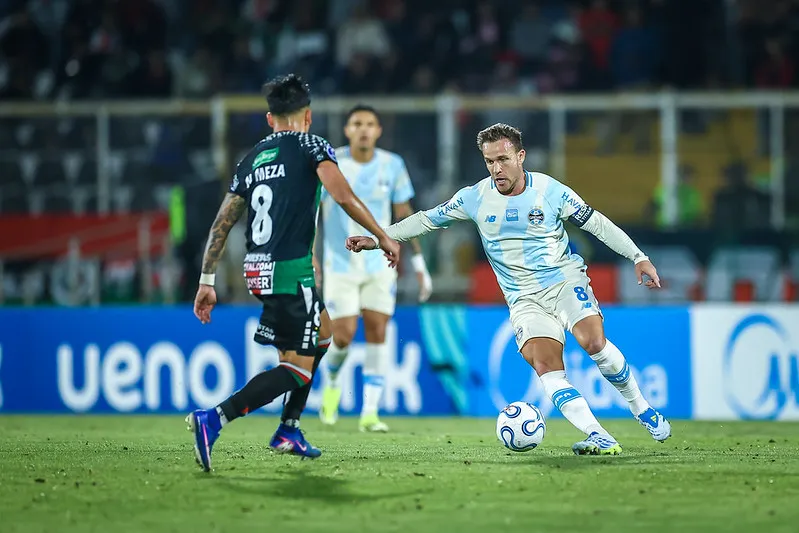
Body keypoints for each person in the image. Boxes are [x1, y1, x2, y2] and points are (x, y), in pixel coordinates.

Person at [347, 123, 671, 455]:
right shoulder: (474, 198)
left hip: (563, 281)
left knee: (594, 343)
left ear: (520, 156)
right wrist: (377, 238)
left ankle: (641, 408)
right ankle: (598, 435)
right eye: (489, 162)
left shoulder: (549, 191)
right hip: (522, 298)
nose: (496, 169)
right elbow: (426, 219)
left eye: (502, 159)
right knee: (547, 367)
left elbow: (598, 223)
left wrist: (638, 256)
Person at [186, 74, 400, 471]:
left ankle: (289, 428)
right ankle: (214, 419)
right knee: (296, 367)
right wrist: (382, 236)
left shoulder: (251, 158)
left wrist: (207, 281)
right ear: (309, 115)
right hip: (289, 271)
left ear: (270, 119)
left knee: (324, 336)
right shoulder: (312, 145)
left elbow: (222, 223)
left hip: (259, 267)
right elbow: (343, 195)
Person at [317, 104, 432, 432]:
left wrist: (419, 262)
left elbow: (404, 214)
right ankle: (334, 381)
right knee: (343, 335)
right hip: (339, 264)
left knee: (378, 331)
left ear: (379, 130)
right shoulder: (330, 163)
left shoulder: (392, 164)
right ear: (347, 129)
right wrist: (312, 257)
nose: (364, 129)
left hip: (380, 264)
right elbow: (313, 214)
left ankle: (369, 413)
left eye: (370, 123)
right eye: (357, 123)